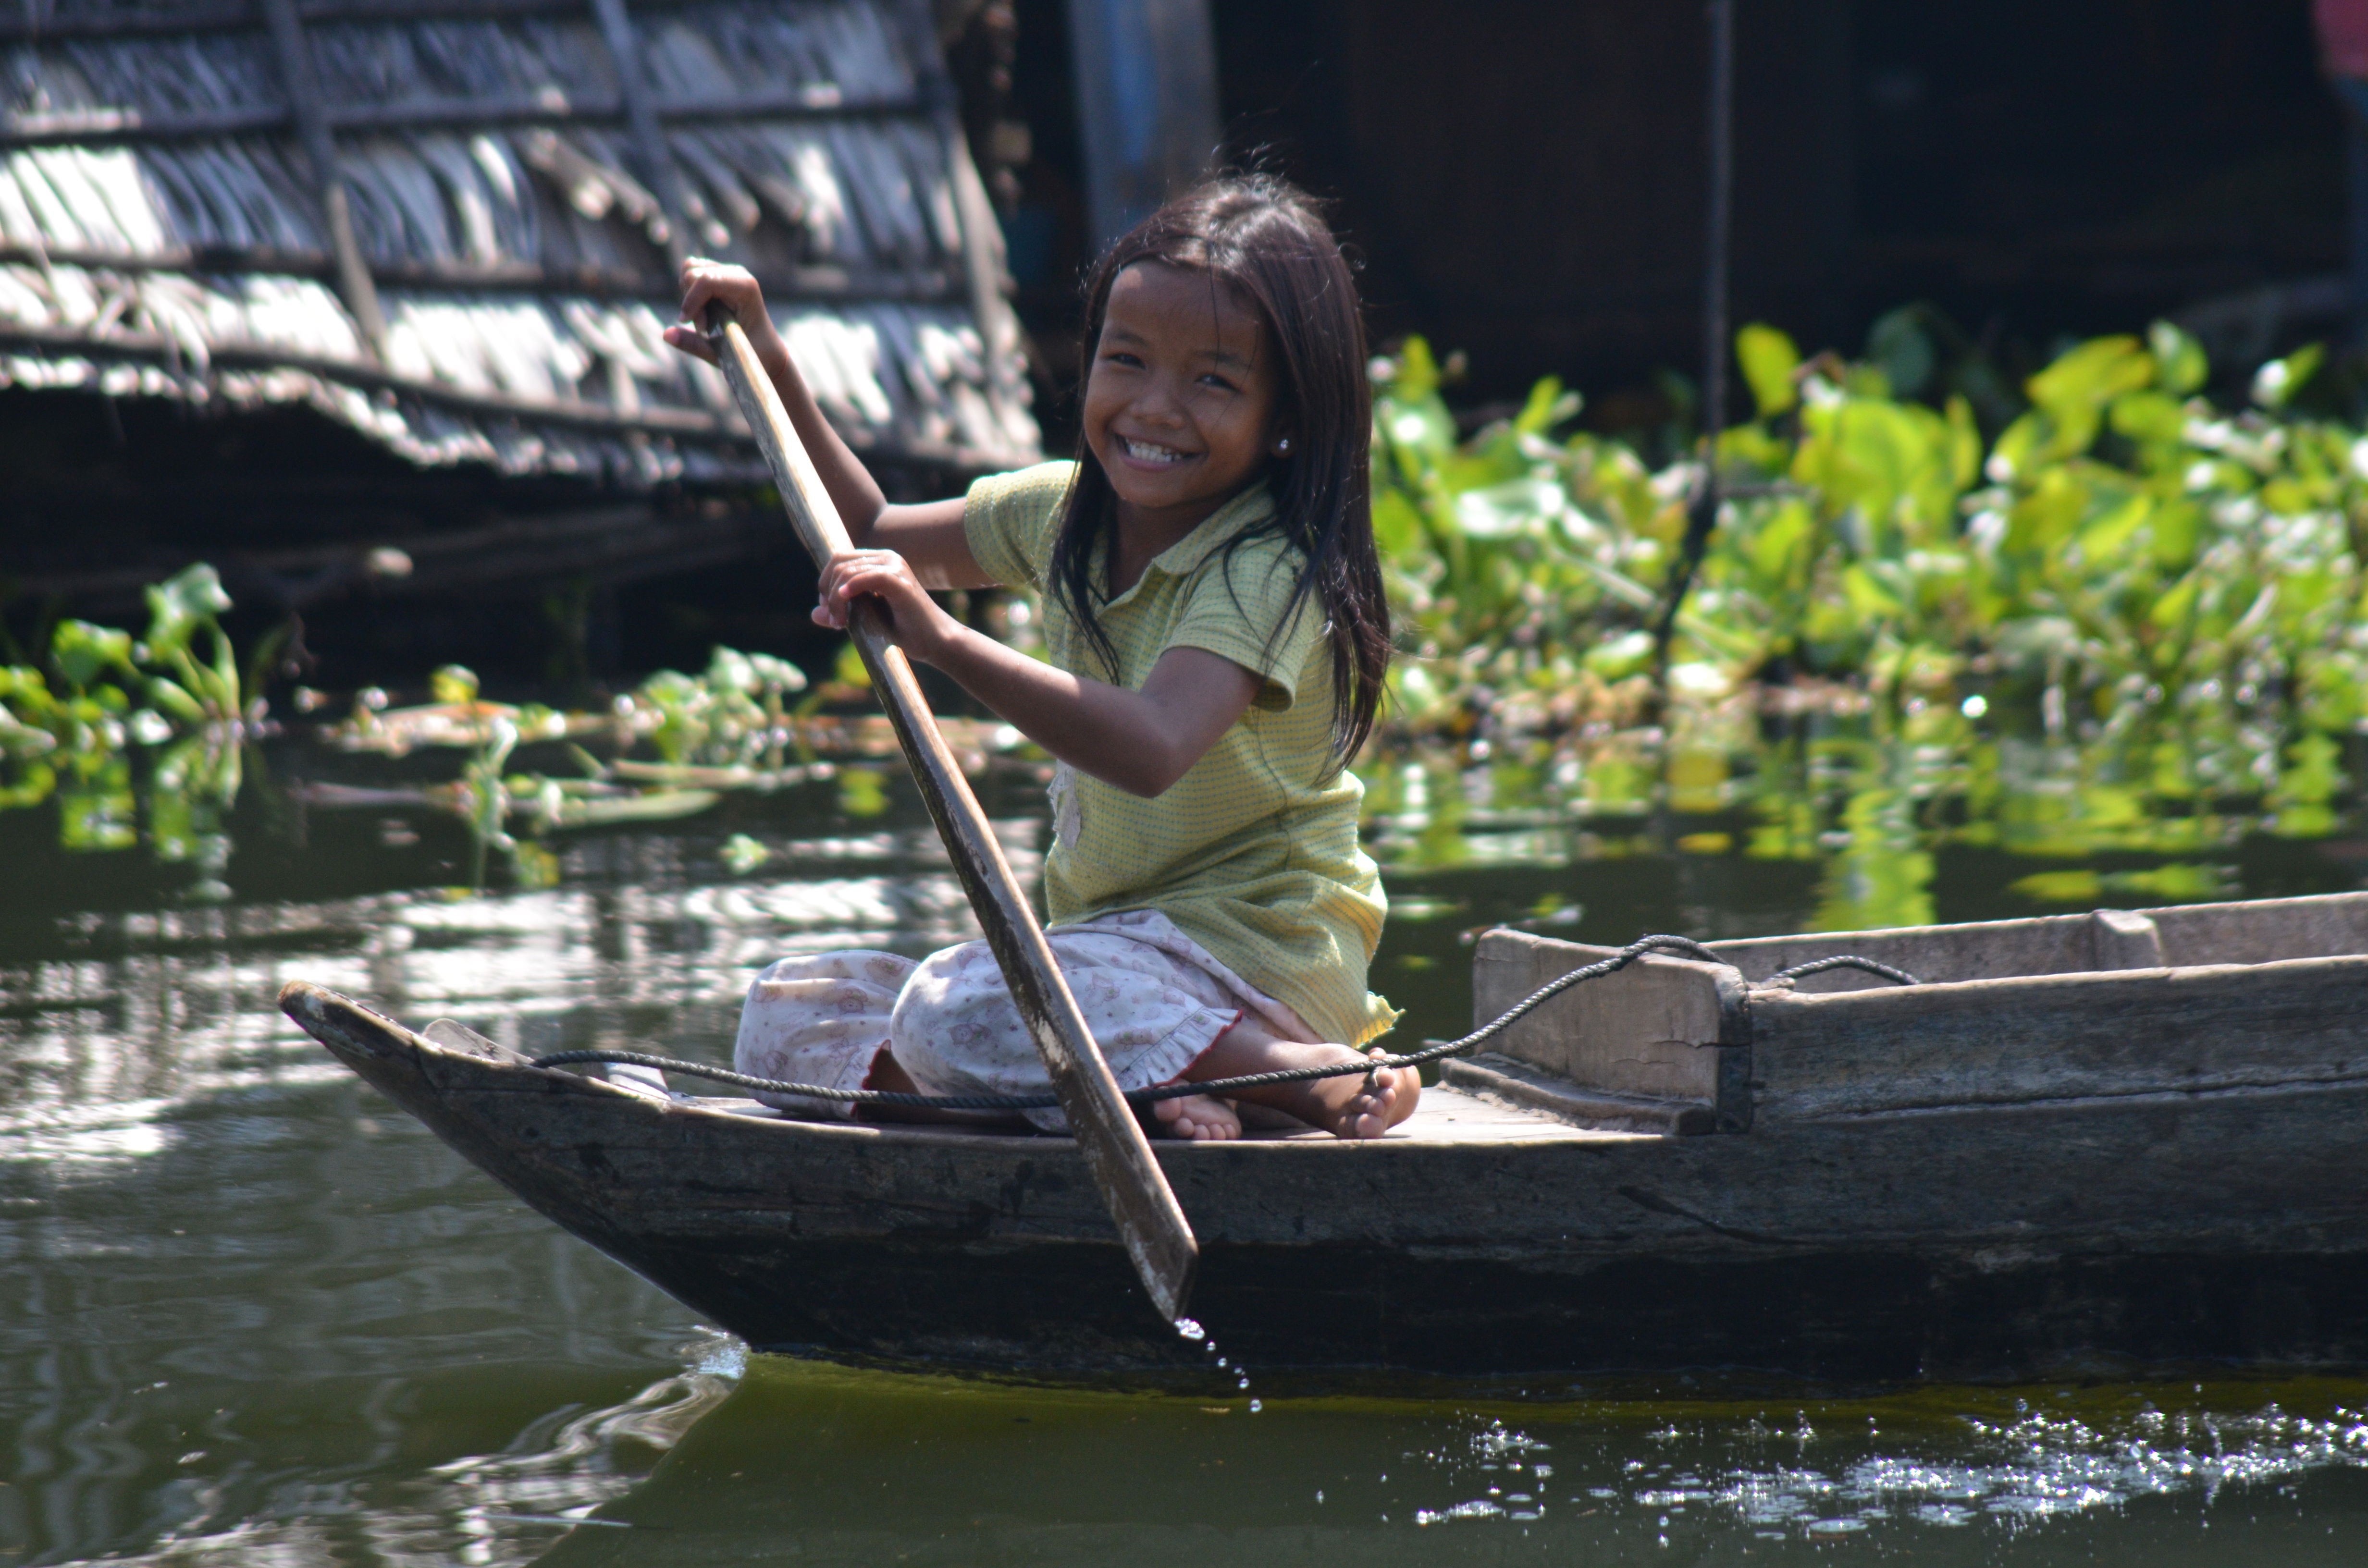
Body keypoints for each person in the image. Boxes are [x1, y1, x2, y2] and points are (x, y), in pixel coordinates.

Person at [663, 174, 1413, 1141]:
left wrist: (945, 642)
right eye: (1126, 360)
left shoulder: (1264, 566)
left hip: (1254, 964)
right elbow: (870, 526)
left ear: (1285, 420)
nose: (1156, 408)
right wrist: (767, 361)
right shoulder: (1061, 513)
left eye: (1213, 381)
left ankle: (1292, 1075)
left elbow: (1150, 748)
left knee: (949, 1010)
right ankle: (1151, 1084)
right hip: (1110, 966)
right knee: (787, 1011)